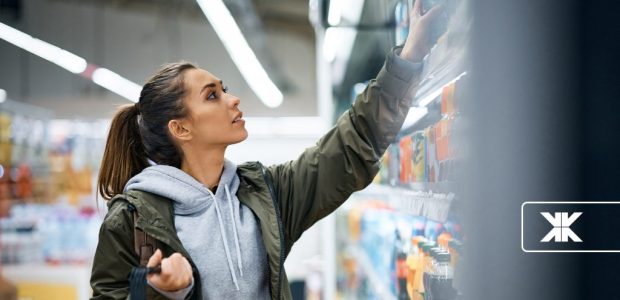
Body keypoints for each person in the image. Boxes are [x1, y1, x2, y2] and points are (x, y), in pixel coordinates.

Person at [90, 2, 443, 299]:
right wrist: (163, 292)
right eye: (212, 95)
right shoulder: (133, 222)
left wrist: (410, 55)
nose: (232, 99)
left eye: (224, 89)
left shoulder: (264, 196)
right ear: (181, 128)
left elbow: (351, 145)